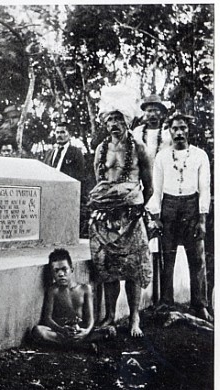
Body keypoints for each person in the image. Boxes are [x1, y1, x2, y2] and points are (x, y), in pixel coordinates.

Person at [88, 106, 153, 337]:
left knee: (133, 268)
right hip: (108, 216)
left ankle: (134, 317)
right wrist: (109, 206)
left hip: (131, 216)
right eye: (110, 119)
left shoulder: (139, 148)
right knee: (109, 267)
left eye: (118, 119)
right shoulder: (100, 149)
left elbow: (149, 187)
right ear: (105, 124)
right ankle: (110, 317)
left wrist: (133, 208)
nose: (114, 124)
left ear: (127, 121)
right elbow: (101, 183)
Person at [146, 112, 212, 322]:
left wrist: (202, 219)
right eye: (174, 129)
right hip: (169, 208)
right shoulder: (162, 157)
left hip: (192, 207)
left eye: (183, 128)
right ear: (169, 132)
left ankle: (199, 304)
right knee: (168, 256)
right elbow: (156, 190)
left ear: (189, 130)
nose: (179, 133)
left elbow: (204, 189)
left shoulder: (200, 155)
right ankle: (166, 301)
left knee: (197, 257)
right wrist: (156, 216)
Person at [132, 95, 173, 302]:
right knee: (144, 239)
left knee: (165, 242)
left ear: (162, 112)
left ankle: (165, 296)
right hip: (143, 188)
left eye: (156, 110)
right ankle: (145, 296)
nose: (152, 114)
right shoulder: (137, 133)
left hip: (165, 188)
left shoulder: (169, 133)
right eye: (148, 110)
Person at [32, 248, 115, 345]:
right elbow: (47, 319)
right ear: (52, 274)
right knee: (37, 331)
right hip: (62, 332)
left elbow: (90, 318)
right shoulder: (53, 291)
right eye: (56, 271)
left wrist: (86, 331)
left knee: (110, 330)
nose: (61, 274)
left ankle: (73, 344)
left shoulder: (85, 289)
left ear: (71, 269)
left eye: (64, 269)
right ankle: (79, 346)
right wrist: (62, 329)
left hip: (81, 331)